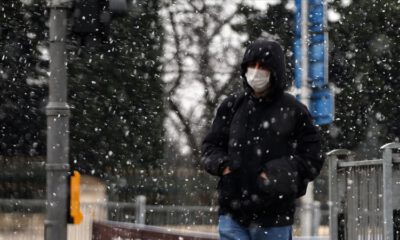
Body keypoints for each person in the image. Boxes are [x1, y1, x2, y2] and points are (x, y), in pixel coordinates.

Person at [201, 38, 324, 240]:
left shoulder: (294, 110)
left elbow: (312, 157)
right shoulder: (232, 105)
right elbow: (211, 147)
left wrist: (276, 175)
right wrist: (224, 166)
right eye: (252, 65)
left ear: (274, 71)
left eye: (262, 66)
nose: (256, 71)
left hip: (274, 217)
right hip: (232, 213)